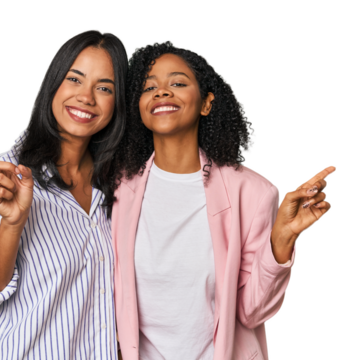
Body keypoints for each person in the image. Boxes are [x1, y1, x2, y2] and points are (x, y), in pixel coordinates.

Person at [109, 40, 338, 360]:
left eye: (177, 82)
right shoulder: (115, 190)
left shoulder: (253, 193)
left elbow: (252, 313)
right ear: (138, 106)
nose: (161, 92)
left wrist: (283, 237)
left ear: (206, 103)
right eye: (149, 87)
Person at [0, 29, 128, 359]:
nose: (86, 97)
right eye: (74, 79)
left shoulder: (118, 187)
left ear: (117, 102)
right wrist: (12, 223)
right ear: (54, 84)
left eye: (104, 87)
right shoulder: (4, 174)